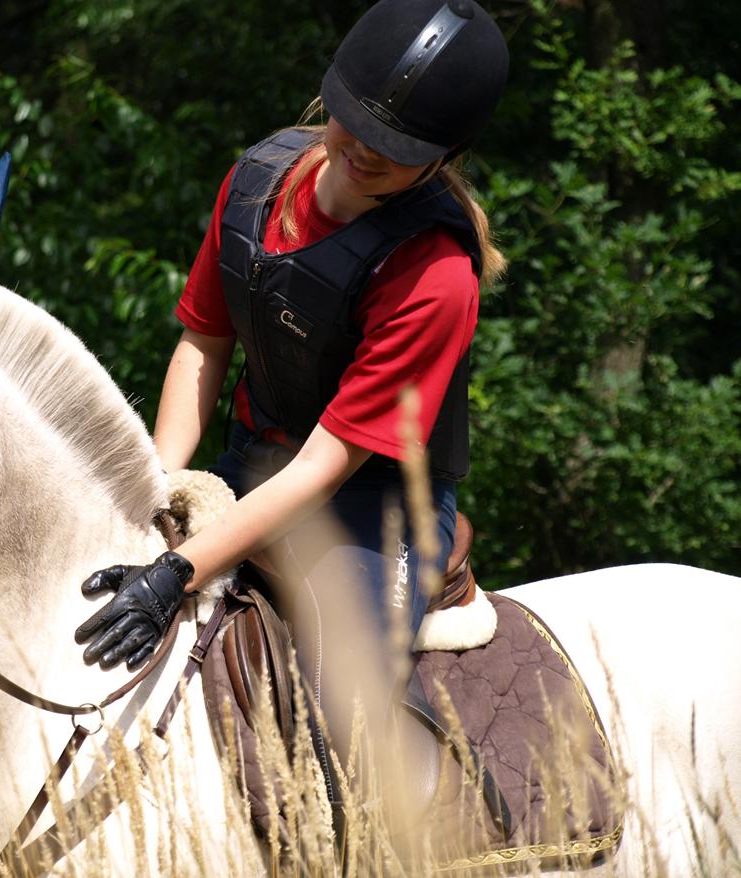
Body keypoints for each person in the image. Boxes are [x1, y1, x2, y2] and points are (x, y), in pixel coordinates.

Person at [74, 0, 509, 790]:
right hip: (251, 465)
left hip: (371, 514)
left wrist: (178, 572)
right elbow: (202, 343)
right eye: (354, 123)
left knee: (339, 737)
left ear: (448, 152)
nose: (367, 150)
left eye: (399, 145)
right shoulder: (254, 181)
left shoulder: (437, 278)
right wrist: (151, 490)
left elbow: (323, 467)